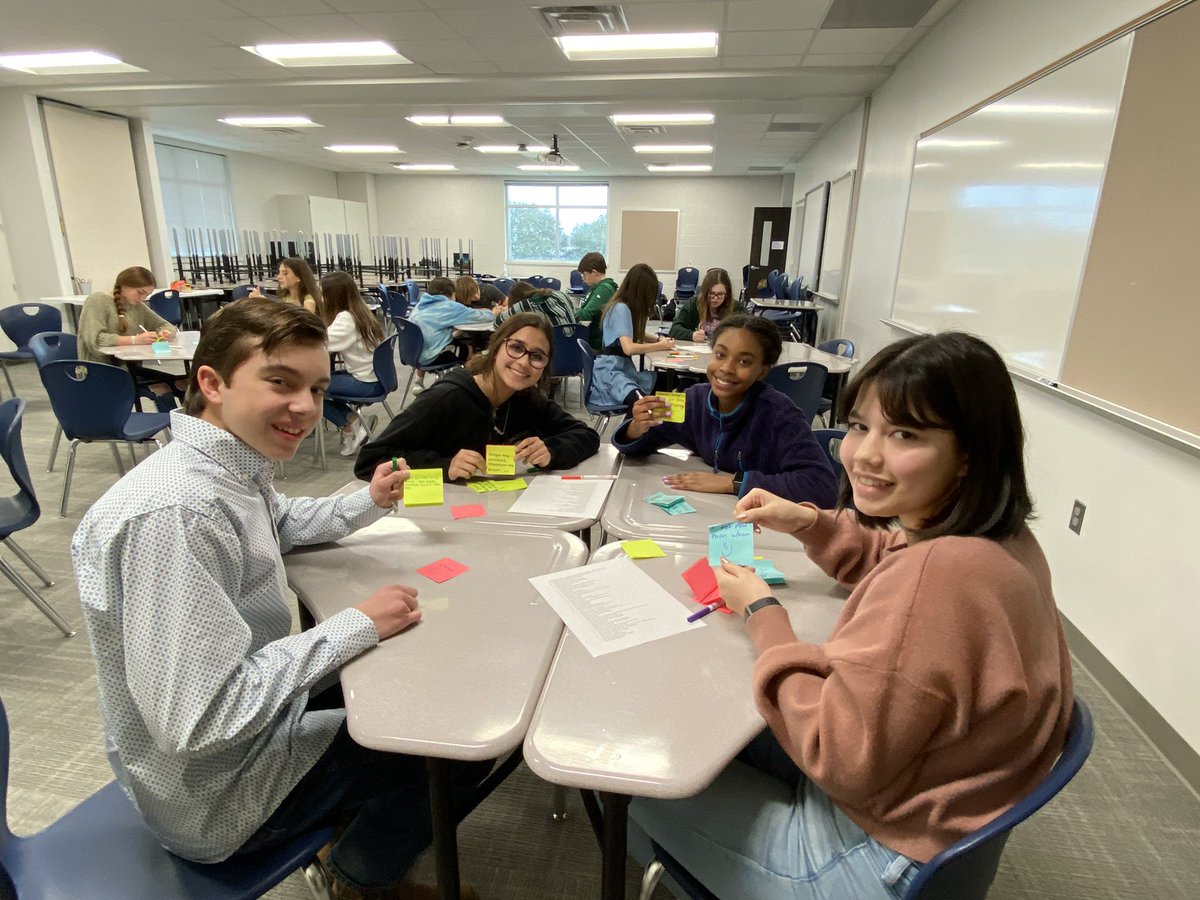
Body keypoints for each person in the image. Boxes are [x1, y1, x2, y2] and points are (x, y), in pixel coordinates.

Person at [627, 332, 1073, 900]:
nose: (864, 454)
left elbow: (839, 757)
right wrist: (810, 522)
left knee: (639, 775)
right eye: (861, 426)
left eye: (905, 434)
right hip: (929, 805)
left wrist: (763, 612)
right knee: (715, 719)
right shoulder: (999, 541)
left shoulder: (940, 580)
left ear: (969, 452)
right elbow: (894, 556)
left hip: (863, 855)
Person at [72, 299, 491, 900]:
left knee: (412, 676)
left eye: (319, 389)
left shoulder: (222, 471)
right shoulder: (177, 513)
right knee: (457, 735)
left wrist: (365, 500)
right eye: (281, 383)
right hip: (219, 795)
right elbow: (205, 720)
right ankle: (359, 878)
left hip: (241, 739)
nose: (307, 408)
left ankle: (345, 834)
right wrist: (353, 625)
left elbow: (279, 522)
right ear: (212, 384)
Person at [614, 315, 836, 506]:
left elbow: (822, 487)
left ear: (762, 372)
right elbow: (639, 445)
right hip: (713, 516)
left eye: (744, 362)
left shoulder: (780, 415)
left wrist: (734, 482)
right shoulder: (694, 400)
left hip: (763, 527)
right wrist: (636, 427)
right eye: (720, 355)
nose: (727, 368)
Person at [356, 312, 599, 482]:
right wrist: (444, 465)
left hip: (498, 512)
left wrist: (551, 451)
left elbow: (587, 436)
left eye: (537, 356)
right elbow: (370, 460)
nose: (524, 362)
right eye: (516, 347)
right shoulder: (447, 398)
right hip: (440, 519)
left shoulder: (526, 398)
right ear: (496, 348)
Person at [76, 265, 181, 412]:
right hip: (99, 370)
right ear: (124, 286)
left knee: (184, 383)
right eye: (140, 292)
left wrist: (165, 333)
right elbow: (96, 340)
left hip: (128, 368)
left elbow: (165, 325)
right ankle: (178, 430)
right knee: (161, 388)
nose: (143, 298)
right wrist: (134, 340)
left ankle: (191, 427)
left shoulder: (136, 305)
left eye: (147, 295)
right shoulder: (97, 301)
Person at [587, 263, 674, 409]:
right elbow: (629, 348)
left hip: (621, 371)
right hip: (612, 376)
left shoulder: (622, 305)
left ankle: (656, 426)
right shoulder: (621, 308)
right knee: (643, 406)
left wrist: (659, 339)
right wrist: (660, 345)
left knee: (669, 381)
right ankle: (634, 428)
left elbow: (634, 334)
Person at [320, 270, 384, 456]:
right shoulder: (360, 311)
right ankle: (353, 420)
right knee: (322, 382)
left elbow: (320, 345)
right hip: (373, 376)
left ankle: (349, 425)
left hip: (366, 383)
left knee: (310, 389)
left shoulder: (346, 320)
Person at [407, 276, 502, 394]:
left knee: (458, 342)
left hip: (413, 354)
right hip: (432, 356)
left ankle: (419, 381)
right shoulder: (449, 306)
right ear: (452, 293)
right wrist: (493, 312)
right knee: (473, 352)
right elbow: (480, 316)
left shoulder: (420, 305)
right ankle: (468, 388)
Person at [669, 267, 747, 342]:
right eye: (711, 293)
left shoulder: (736, 308)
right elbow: (674, 329)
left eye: (720, 294)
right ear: (704, 292)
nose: (715, 298)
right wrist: (691, 335)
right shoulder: (694, 304)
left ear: (727, 294)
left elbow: (750, 330)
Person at [250, 256, 322, 316]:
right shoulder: (285, 297)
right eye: (279, 273)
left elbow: (307, 318)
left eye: (285, 273)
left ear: (299, 277)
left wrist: (267, 302)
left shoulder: (309, 298)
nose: (279, 277)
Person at [576, 251, 618, 349]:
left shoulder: (603, 289)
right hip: (592, 337)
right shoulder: (597, 287)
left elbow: (586, 315)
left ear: (594, 272)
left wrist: (569, 311)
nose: (582, 277)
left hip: (597, 343)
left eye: (584, 274)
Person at [496, 284, 578, 329]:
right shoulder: (561, 294)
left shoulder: (525, 305)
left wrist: (503, 312)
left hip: (552, 352)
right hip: (577, 348)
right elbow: (577, 319)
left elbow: (497, 323)